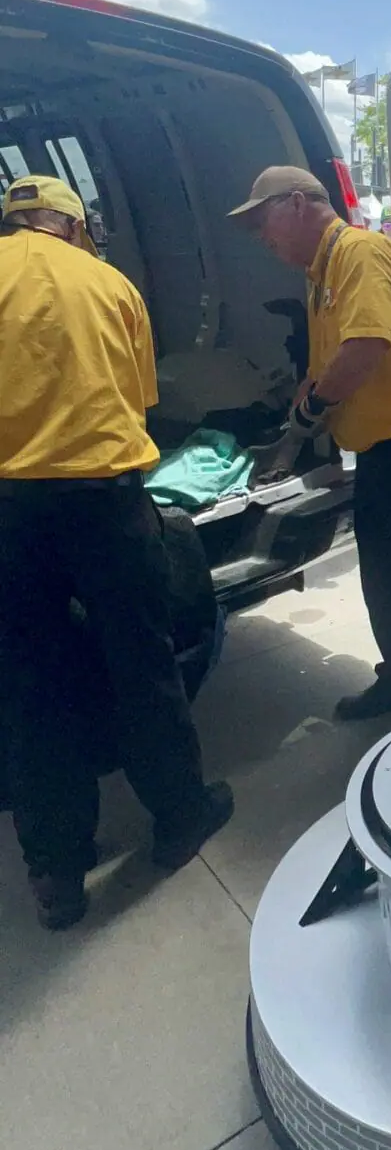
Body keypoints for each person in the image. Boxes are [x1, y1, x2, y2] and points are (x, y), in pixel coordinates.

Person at [0, 175, 233, 930]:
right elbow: (137, 402)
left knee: (30, 688)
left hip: (8, 514)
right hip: (105, 502)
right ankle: (178, 819)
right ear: (71, 227)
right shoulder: (110, 285)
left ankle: (57, 874)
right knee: (142, 661)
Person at [229, 166, 391, 720]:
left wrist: (310, 414)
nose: (262, 237)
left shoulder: (358, 254)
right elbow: (333, 360)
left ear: (296, 204)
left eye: (263, 220)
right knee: (389, 580)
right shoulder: (324, 271)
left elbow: (364, 345)